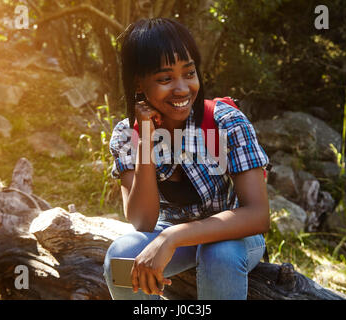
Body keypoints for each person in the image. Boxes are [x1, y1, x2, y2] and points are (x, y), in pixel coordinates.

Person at [103, 18, 270, 300]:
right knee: (120, 258)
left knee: (219, 253)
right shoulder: (126, 134)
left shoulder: (225, 122)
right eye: (165, 78)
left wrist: (172, 238)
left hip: (234, 236)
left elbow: (258, 215)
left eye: (189, 73)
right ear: (138, 83)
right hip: (172, 233)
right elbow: (143, 222)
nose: (182, 89)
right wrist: (145, 138)